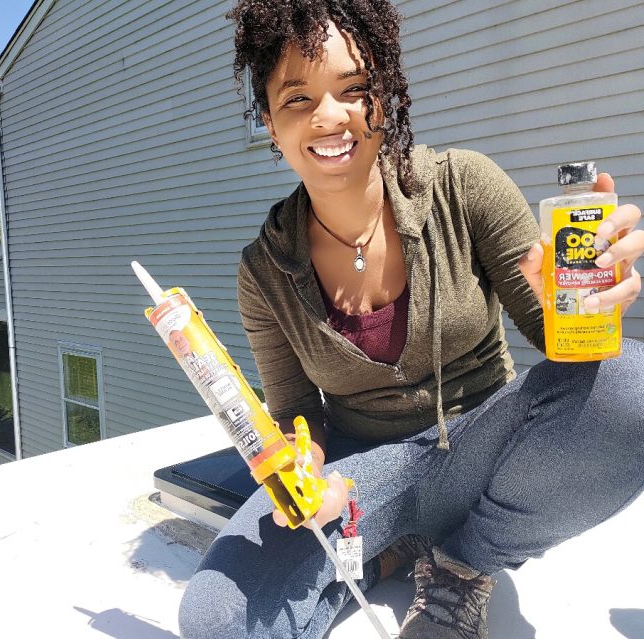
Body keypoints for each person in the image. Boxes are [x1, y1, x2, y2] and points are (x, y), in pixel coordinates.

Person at [179, 2, 644, 637]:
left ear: (385, 95)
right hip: (361, 477)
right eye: (297, 98)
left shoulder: (463, 187)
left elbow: (567, 361)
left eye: (353, 89)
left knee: (634, 384)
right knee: (214, 620)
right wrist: (306, 467)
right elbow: (299, 414)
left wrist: (582, 303)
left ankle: (459, 566)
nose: (330, 116)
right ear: (269, 120)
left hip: (481, 447)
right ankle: (385, 549)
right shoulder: (264, 271)